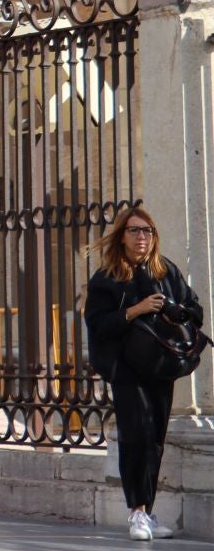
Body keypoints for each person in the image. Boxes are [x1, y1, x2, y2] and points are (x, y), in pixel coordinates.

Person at [86, 205, 203, 542]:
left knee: (154, 440)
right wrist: (135, 310)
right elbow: (97, 324)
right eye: (134, 230)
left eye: (147, 231)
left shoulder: (166, 271)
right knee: (135, 436)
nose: (142, 237)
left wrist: (177, 309)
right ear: (122, 236)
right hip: (126, 369)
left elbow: (195, 309)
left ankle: (147, 512)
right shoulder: (107, 278)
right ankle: (136, 511)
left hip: (160, 366)